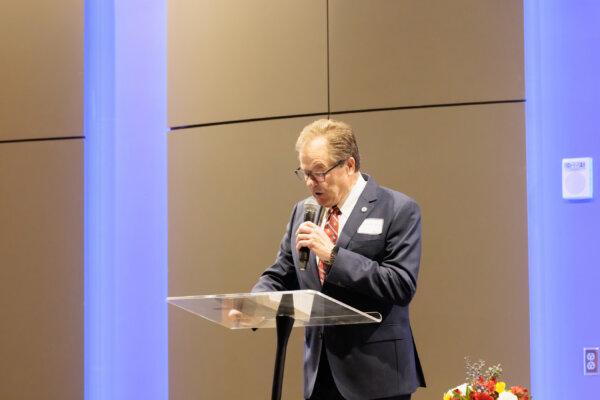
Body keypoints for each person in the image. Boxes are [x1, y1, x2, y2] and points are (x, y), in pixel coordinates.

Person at [252, 119, 425, 400]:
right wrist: (255, 302)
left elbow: (400, 284)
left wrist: (333, 255)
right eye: (305, 173)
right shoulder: (303, 211)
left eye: (319, 172)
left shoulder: (397, 209)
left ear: (349, 165)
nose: (310, 183)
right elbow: (281, 273)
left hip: (377, 377)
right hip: (320, 376)